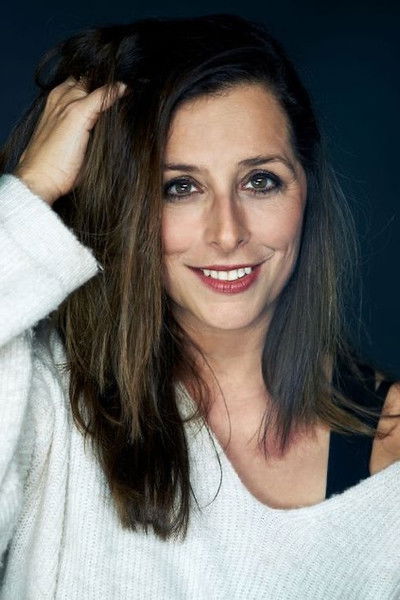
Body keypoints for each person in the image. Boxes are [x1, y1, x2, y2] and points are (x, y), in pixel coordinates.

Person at [0, 12, 399, 599]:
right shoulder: (44, 403)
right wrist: (32, 190)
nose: (227, 233)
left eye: (260, 181)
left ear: (306, 190)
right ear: (126, 205)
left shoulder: (391, 451)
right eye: (179, 187)